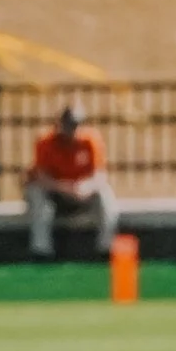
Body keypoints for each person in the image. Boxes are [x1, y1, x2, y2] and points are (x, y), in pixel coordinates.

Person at [23, 99, 118, 258]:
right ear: (60, 124)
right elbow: (41, 177)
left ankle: (105, 247)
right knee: (38, 198)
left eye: (76, 124)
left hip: (81, 190)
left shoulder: (91, 141)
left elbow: (100, 175)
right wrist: (66, 187)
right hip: (53, 191)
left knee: (106, 198)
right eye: (68, 124)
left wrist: (86, 187)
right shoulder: (46, 142)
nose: (72, 129)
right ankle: (41, 249)